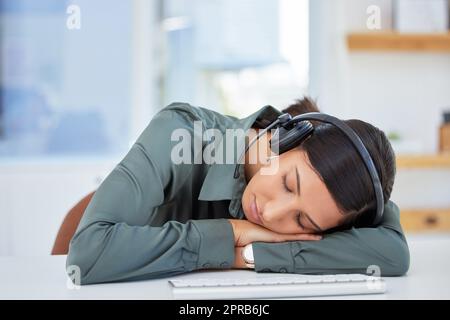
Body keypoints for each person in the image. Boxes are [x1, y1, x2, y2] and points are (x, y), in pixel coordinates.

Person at [66, 97, 410, 285]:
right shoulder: (180, 135)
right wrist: (229, 233)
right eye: (289, 183)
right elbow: (87, 255)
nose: (274, 214)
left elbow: (392, 254)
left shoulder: (329, 203)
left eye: (302, 220)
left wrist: (247, 255)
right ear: (285, 137)